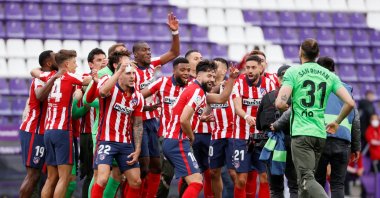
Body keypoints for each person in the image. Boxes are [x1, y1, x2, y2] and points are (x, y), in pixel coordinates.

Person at [275, 39, 355, 197]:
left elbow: (279, 102)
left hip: (301, 133)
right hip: (320, 134)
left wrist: (287, 106)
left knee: (306, 179)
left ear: (300, 52)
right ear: (317, 54)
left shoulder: (293, 72)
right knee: (303, 183)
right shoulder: (329, 75)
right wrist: (337, 122)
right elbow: (350, 103)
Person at [162, 60, 239, 197]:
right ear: (198, 76)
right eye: (209, 76)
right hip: (178, 141)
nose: (212, 80)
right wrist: (191, 136)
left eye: (214, 77)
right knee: (197, 183)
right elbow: (184, 119)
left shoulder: (198, 91)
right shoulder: (196, 91)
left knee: (194, 181)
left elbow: (221, 98)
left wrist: (232, 79)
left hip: (174, 140)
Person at [131, 12, 180, 197]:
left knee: (156, 167)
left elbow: (174, 53)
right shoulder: (130, 71)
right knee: (142, 168)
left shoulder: (152, 65)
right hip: (138, 122)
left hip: (153, 121)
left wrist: (175, 33)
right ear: (135, 54)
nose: (148, 52)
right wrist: (145, 106)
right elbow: (129, 98)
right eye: (144, 50)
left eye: (149, 50)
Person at [35, 50, 94, 198]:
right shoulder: (70, 76)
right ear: (67, 64)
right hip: (63, 131)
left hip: (48, 131)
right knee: (64, 178)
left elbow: (34, 72)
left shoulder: (49, 76)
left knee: (51, 178)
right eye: (74, 62)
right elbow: (89, 80)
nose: (76, 66)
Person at [91, 52, 144, 198]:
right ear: (120, 74)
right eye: (128, 73)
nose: (132, 76)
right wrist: (120, 70)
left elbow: (138, 124)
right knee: (101, 179)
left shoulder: (137, 97)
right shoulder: (108, 83)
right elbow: (102, 92)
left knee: (136, 181)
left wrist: (137, 148)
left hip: (126, 144)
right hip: (106, 140)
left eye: (134, 73)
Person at [140, 57, 190, 197]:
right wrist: (144, 107)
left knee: (190, 176)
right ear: (174, 71)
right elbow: (139, 97)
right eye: (182, 70)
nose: (186, 73)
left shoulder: (193, 86)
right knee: (167, 174)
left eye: (188, 70)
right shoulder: (162, 83)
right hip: (166, 136)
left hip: (187, 138)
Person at [314, 56, 361, 198]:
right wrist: (356, 147)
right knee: (338, 185)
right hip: (343, 142)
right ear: (334, 70)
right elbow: (356, 120)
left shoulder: (313, 87)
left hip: (319, 139)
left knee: (318, 183)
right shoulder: (346, 89)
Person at [232, 55, 275, 198]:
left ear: (261, 68)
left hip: (262, 138)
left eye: (253, 67)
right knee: (241, 180)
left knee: (264, 177)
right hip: (241, 137)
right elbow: (237, 107)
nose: (249, 70)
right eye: (247, 67)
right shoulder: (238, 83)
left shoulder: (269, 84)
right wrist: (246, 116)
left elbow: (273, 107)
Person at [19, 50, 58, 198]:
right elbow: (40, 96)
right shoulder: (40, 79)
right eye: (55, 58)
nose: (58, 59)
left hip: (45, 132)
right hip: (34, 130)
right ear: (48, 63)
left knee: (45, 175)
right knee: (33, 174)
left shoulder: (51, 77)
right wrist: (54, 78)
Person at [256, 64, 298, 198]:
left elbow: (259, 124)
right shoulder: (299, 98)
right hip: (293, 144)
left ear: (278, 79)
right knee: (295, 186)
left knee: (275, 188)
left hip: (273, 144)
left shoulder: (268, 97)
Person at [208, 58, 235, 198]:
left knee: (234, 173)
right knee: (213, 172)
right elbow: (203, 110)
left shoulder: (233, 85)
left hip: (232, 134)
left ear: (225, 70)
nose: (212, 69)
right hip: (216, 135)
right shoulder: (207, 88)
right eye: (211, 67)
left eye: (216, 67)